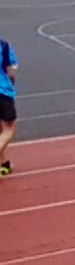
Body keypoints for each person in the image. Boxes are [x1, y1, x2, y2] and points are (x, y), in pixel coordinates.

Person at [0, 37, 17, 179]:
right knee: (9, 129)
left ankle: (4, 164)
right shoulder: (3, 46)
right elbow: (11, 71)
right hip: (2, 91)